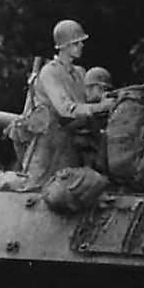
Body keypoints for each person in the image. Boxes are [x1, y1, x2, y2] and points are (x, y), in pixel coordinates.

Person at [22, 20, 115, 187]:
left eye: (81, 42)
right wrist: (99, 107)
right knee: (33, 191)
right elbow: (65, 109)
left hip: (71, 143)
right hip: (48, 144)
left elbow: (87, 101)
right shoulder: (50, 72)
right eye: (76, 43)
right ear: (63, 46)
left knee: (71, 190)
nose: (81, 46)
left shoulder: (79, 73)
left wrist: (107, 100)